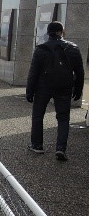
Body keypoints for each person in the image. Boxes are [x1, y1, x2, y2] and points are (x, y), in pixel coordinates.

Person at [25, 21, 84, 160]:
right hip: (64, 86)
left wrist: (29, 91)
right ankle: (61, 149)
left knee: (38, 115)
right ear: (62, 31)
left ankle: (37, 145)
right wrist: (78, 88)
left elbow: (33, 72)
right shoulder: (73, 48)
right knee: (63, 118)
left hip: (43, 86)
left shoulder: (41, 49)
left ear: (48, 33)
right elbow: (80, 72)